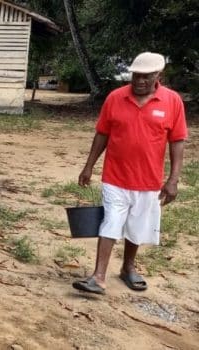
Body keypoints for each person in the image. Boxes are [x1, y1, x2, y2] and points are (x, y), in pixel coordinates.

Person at [72, 52, 187, 295]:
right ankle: (98, 276)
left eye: (146, 76)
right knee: (111, 222)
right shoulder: (115, 98)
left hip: (149, 180)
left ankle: (128, 268)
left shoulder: (172, 101)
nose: (140, 81)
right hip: (115, 176)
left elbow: (177, 141)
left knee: (138, 226)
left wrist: (173, 179)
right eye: (136, 75)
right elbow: (102, 133)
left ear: (159, 75)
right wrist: (89, 165)